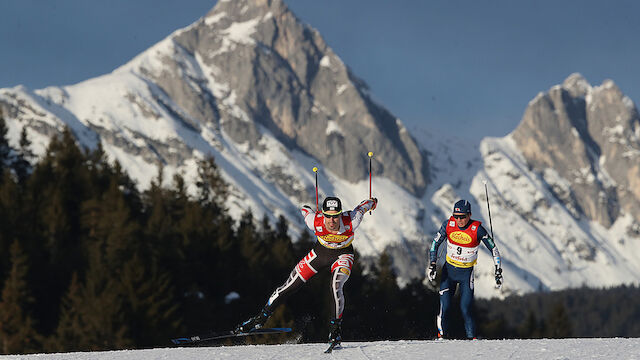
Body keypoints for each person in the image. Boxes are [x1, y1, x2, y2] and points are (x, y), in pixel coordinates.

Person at [235, 196, 378, 344]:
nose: (332, 221)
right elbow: (305, 210)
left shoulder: (352, 220)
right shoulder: (314, 221)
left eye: (335, 217)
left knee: (336, 286)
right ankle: (260, 319)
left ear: (341, 214)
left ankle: (335, 330)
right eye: (328, 216)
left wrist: (373, 202)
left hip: (343, 254)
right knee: (289, 285)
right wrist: (308, 209)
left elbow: (363, 207)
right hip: (320, 253)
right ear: (323, 214)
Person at [426, 199, 502, 339]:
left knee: (465, 308)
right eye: (456, 216)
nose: (459, 220)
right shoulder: (448, 225)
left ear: (470, 215)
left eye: (462, 217)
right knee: (445, 307)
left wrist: (498, 271)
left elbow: (494, 249)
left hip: (466, 274)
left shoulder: (477, 229)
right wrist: (432, 264)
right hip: (448, 273)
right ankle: (441, 337)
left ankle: (472, 338)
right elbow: (435, 244)